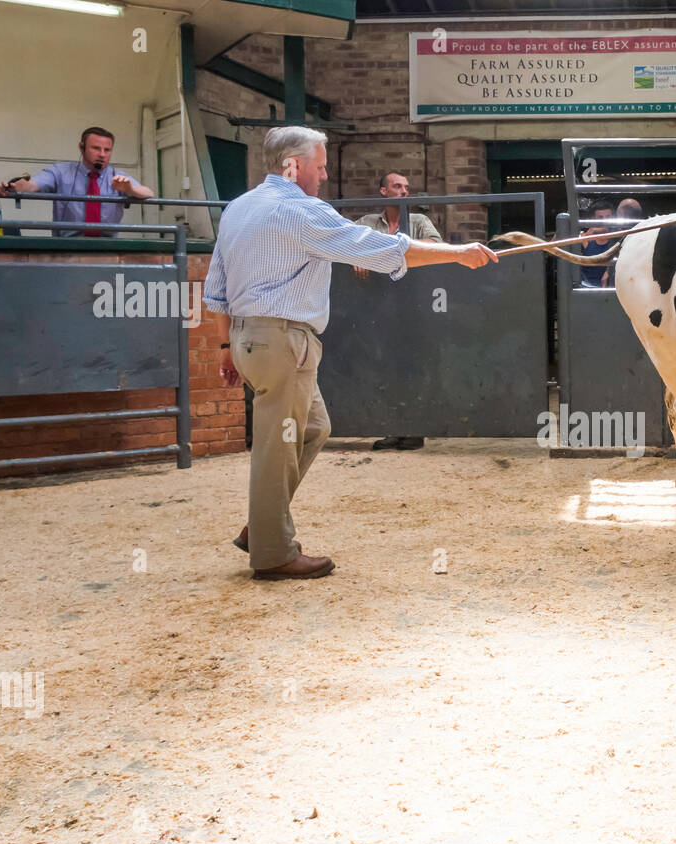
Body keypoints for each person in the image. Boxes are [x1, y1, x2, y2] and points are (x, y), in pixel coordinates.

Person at [203, 126, 496, 580]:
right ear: (292, 166)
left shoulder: (238, 209)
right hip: (283, 340)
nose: (323, 176)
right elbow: (378, 249)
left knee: (315, 427)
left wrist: (226, 344)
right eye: (319, 167)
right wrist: (456, 253)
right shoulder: (300, 211)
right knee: (277, 446)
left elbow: (216, 285)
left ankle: (262, 525)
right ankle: (273, 552)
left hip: (249, 339)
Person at [355, 170, 442, 452]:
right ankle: (393, 428)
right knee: (384, 368)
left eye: (406, 187)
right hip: (378, 309)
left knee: (413, 368)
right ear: (383, 191)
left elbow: (434, 246)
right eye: (397, 186)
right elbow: (344, 242)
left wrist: (378, 253)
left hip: (413, 306)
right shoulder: (368, 222)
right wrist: (358, 255)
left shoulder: (418, 221)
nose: (404, 191)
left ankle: (415, 429)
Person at [0, 126, 153, 237]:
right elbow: (34, 184)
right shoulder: (61, 172)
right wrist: (14, 187)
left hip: (108, 247)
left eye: (107, 150)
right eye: (96, 148)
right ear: (81, 147)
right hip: (67, 246)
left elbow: (148, 193)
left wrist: (130, 189)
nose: (102, 154)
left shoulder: (118, 177)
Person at [579, 200, 615, 288]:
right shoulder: (586, 237)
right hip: (587, 287)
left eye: (608, 217)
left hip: (612, 287)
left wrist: (608, 271)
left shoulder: (617, 237)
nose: (605, 221)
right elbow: (557, 242)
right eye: (600, 217)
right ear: (593, 219)